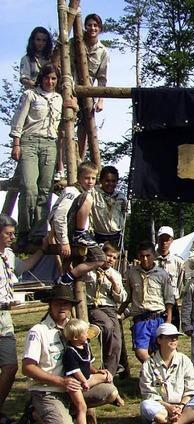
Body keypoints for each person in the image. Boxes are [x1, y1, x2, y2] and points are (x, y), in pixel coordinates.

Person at [22, 285, 119, 424]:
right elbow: (27, 368)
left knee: (110, 392)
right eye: (57, 303)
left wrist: (96, 371)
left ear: (71, 307)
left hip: (74, 388)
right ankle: (37, 412)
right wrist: (60, 381)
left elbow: (81, 360)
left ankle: (54, 413)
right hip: (48, 391)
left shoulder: (77, 328)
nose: (62, 307)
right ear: (50, 305)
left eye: (65, 303)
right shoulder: (38, 331)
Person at [10, 64, 76, 247]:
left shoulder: (58, 99)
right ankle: (23, 230)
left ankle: (38, 232)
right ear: (42, 78)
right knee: (29, 187)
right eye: (47, 78)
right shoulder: (30, 95)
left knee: (45, 189)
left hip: (50, 143)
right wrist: (16, 143)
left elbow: (67, 120)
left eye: (54, 78)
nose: (50, 81)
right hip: (29, 141)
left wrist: (74, 107)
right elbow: (19, 120)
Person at [0, 214, 46, 423]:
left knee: (10, 367)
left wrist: (43, 251)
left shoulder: (8, 255)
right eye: (8, 233)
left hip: (4, 319)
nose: (12, 237)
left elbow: (23, 267)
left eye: (13, 233)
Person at [139, 323, 194, 424]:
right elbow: (149, 394)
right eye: (169, 337)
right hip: (161, 407)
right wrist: (169, 407)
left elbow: (191, 389)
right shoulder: (148, 364)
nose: (173, 340)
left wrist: (180, 406)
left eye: (175, 337)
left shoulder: (185, 360)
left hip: (183, 406)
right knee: (145, 405)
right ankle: (183, 421)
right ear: (159, 340)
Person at [48, 161, 106, 285]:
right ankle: (80, 234)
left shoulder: (88, 191)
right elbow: (59, 216)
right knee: (87, 197)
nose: (90, 181)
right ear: (79, 177)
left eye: (93, 178)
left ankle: (65, 279)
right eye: (86, 178)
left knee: (100, 258)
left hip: (71, 230)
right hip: (68, 231)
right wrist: (64, 241)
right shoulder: (72, 191)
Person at [62, 319, 124, 424]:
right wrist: (83, 381)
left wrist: (97, 371)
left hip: (88, 378)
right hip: (75, 383)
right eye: (85, 333)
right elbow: (75, 371)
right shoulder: (70, 352)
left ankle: (116, 397)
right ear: (76, 337)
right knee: (82, 407)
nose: (88, 334)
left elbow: (88, 364)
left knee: (106, 375)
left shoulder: (85, 345)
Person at [121, 241, 174, 363]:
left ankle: (156, 375)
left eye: (148, 255)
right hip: (140, 318)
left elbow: (169, 298)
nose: (145, 259)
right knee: (141, 352)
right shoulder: (131, 273)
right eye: (141, 256)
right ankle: (153, 370)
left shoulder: (162, 274)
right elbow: (127, 296)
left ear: (154, 255)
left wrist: (169, 319)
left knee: (160, 350)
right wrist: (119, 312)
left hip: (158, 317)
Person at [71, 13, 109, 161]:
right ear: (85, 27)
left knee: (85, 129)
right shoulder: (75, 43)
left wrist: (101, 100)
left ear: (100, 28)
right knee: (65, 125)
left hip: (88, 93)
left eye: (95, 25)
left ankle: (80, 160)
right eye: (89, 25)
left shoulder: (102, 51)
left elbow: (102, 78)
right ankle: (60, 165)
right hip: (71, 89)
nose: (92, 28)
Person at [85, 241, 126, 375]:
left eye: (114, 257)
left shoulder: (116, 275)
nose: (111, 260)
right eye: (108, 255)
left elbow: (121, 298)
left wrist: (114, 283)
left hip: (110, 308)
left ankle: (110, 373)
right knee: (107, 326)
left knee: (117, 341)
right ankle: (97, 361)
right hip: (94, 306)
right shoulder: (89, 271)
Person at [155, 226, 185, 329]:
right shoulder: (151, 261)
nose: (164, 243)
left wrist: (175, 296)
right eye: (161, 239)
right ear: (157, 239)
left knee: (171, 335)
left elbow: (180, 283)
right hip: (155, 302)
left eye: (167, 239)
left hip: (172, 302)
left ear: (171, 240)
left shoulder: (178, 262)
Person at [91, 166, 127, 245]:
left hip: (116, 236)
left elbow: (125, 214)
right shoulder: (94, 193)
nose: (110, 184)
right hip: (98, 236)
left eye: (113, 181)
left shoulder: (121, 197)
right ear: (101, 180)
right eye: (107, 181)